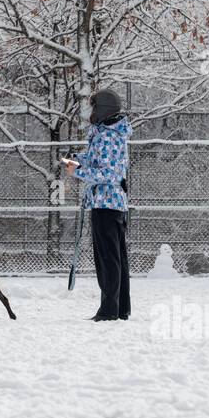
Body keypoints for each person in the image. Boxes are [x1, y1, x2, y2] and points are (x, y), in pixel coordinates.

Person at [65, 89, 132, 321]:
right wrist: (77, 159)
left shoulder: (108, 136)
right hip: (110, 203)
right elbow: (99, 161)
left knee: (108, 259)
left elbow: (109, 173)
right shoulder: (107, 134)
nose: (91, 111)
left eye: (94, 107)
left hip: (107, 203)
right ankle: (120, 308)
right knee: (116, 258)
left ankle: (108, 311)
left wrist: (79, 171)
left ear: (102, 110)